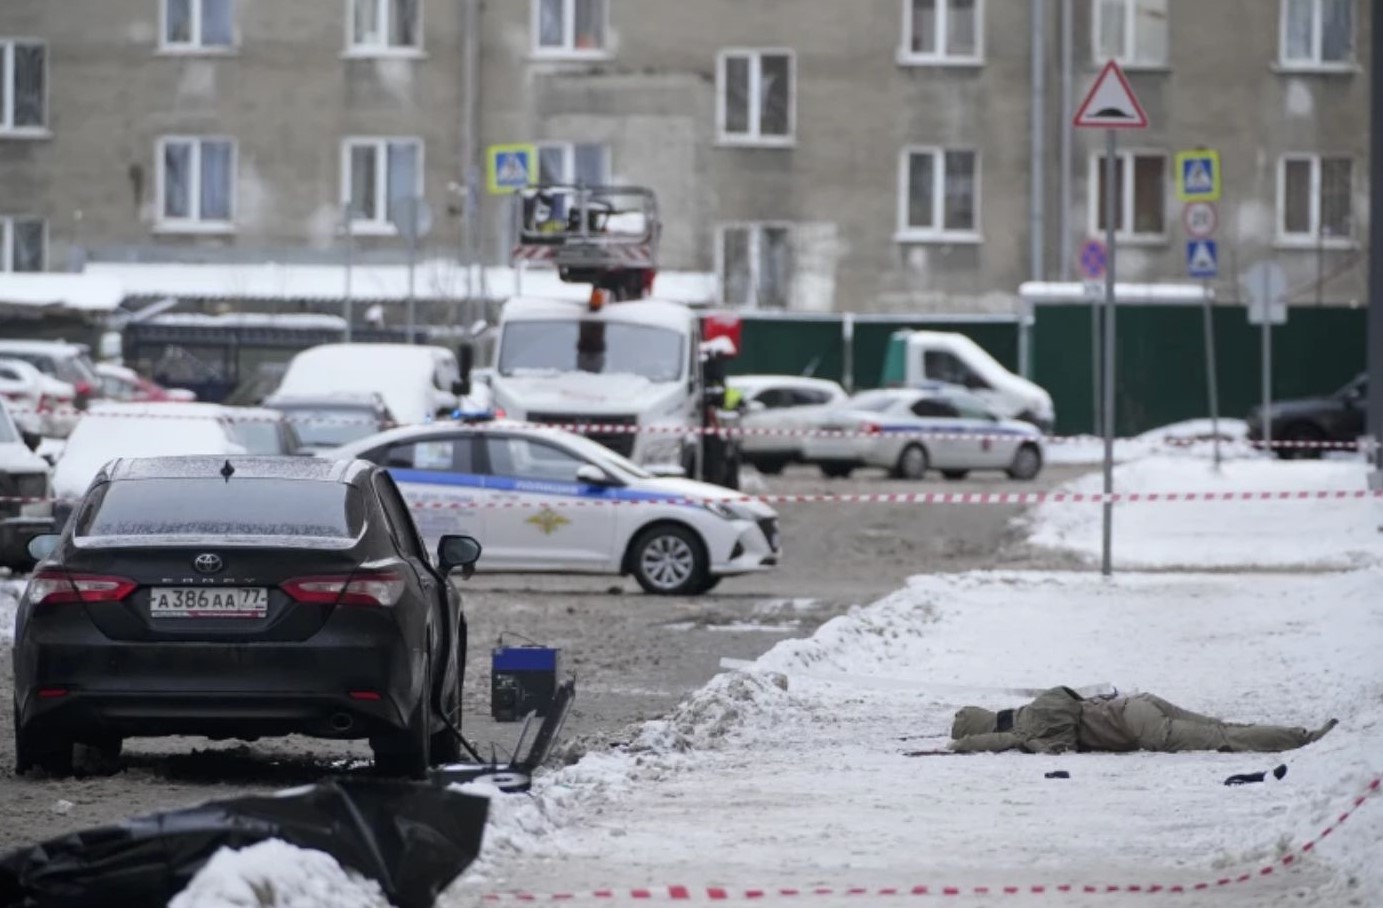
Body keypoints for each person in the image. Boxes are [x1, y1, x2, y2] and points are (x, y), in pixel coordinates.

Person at [949, 686, 1338, 755]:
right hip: (1138, 704)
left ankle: (1302, 739)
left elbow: (1051, 747)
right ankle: (1297, 733)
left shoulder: (1030, 727)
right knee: (1223, 727)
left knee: (1221, 740)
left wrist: (960, 746)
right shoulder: (1040, 705)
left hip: (1137, 727)